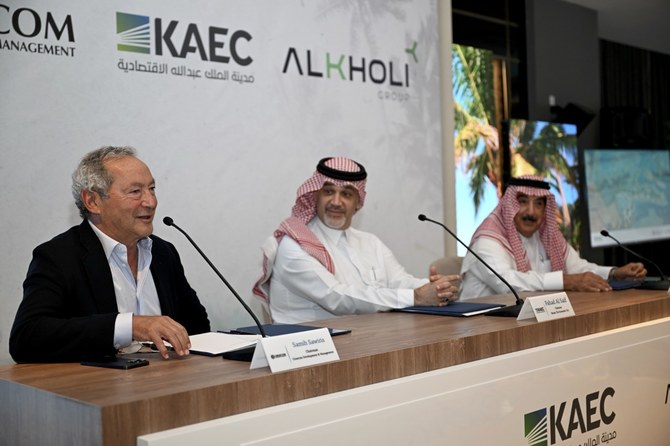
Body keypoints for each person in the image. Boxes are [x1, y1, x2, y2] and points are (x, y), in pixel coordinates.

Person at [9, 146, 210, 363]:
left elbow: (197, 327)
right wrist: (129, 326)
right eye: (135, 191)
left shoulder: (162, 252)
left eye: (152, 189)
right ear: (93, 201)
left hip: (167, 378)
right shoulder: (59, 257)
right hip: (98, 382)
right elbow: (26, 338)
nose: (151, 202)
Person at [252, 156, 459, 324]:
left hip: (362, 340)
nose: (336, 202)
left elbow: (399, 281)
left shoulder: (370, 242)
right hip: (308, 351)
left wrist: (438, 289)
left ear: (358, 203)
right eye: (328, 192)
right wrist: (418, 296)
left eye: (346, 194)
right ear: (315, 196)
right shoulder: (294, 244)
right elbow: (337, 297)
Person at [459, 175, 647, 298]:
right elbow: (508, 284)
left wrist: (614, 273)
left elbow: (578, 269)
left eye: (538, 204)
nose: (531, 212)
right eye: (523, 202)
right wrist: (566, 281)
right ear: (509, 205)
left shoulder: (546, 236)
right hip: (482, 328)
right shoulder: (488, 240)